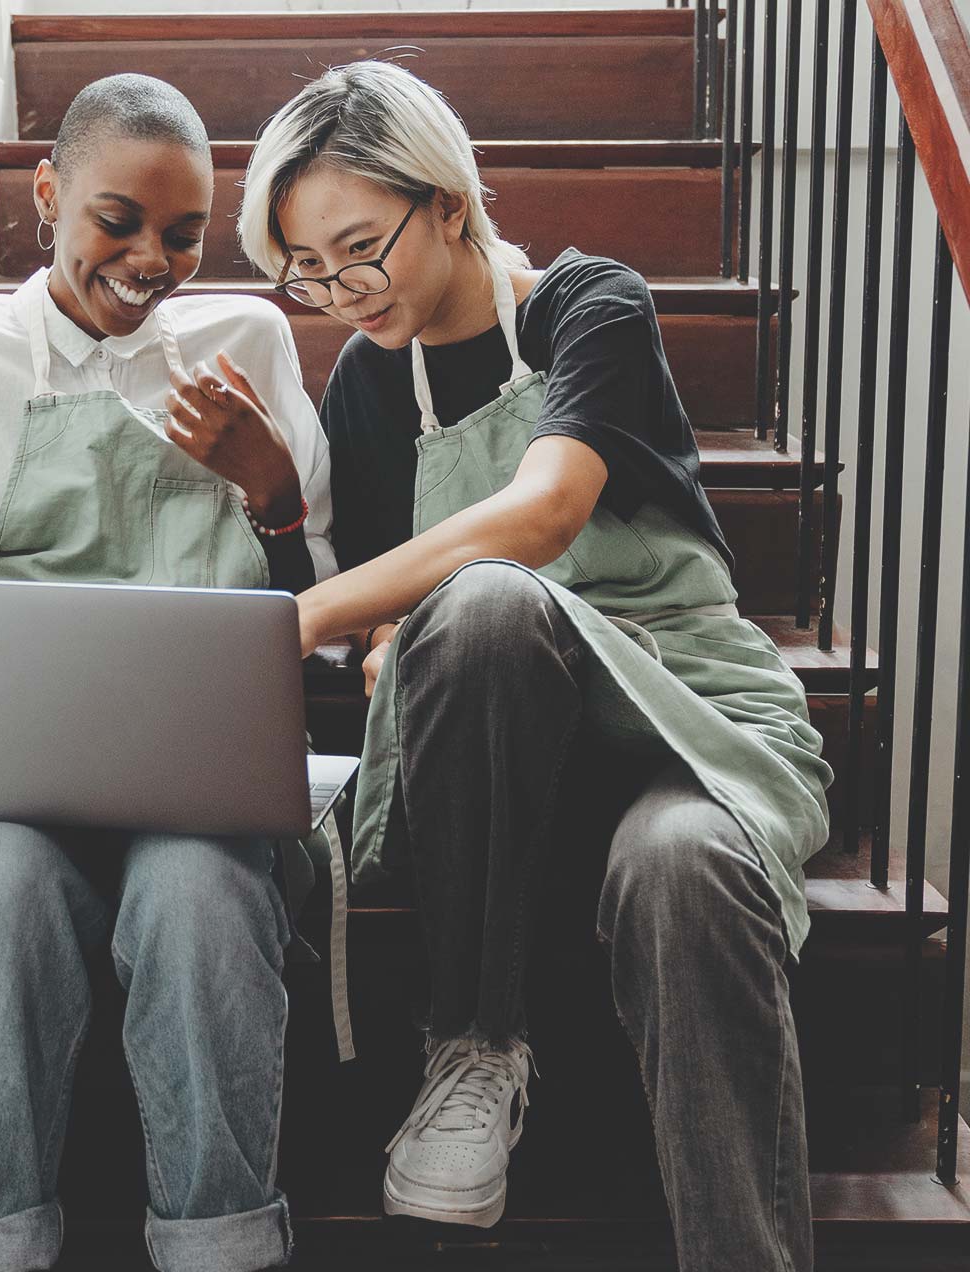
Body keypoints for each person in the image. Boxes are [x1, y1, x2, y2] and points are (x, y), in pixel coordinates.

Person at [238, 61, 831, 1271]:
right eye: (306, 267)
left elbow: (545, 511)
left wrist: (304, 617)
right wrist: (392, 636)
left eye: (361, 246)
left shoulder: (588, 307)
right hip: (510, 766)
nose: (340, 291)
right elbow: (422, 614)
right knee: (486, 616)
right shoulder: (364, 383)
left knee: (686, 865)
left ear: (449, 201)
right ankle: (472, 1044)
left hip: (686, 717)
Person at [0, 74, 335, 1272]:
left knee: (196, 891)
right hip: (9, 768)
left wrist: (272, 492)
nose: (150, 260)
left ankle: (221, 1243)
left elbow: (321, 607)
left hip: (207, 771)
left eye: (183, 235)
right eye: (115, 220)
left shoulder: (248, 341)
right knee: (1, 879)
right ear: (45, 194)